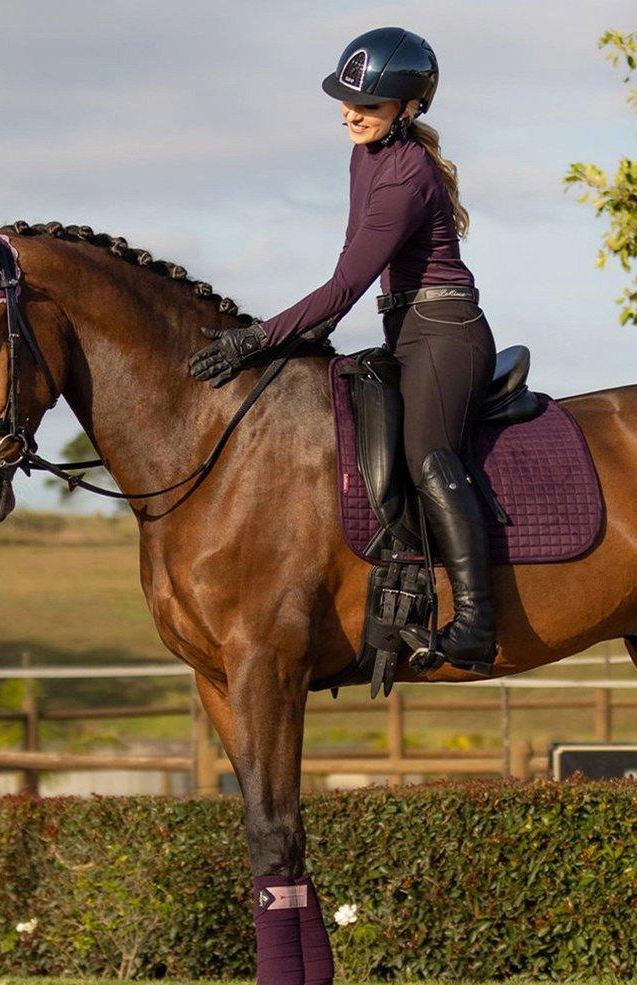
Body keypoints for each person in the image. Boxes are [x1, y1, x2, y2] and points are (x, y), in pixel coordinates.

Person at [184, 25, 499, 674]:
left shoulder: (405, 176)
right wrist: (301, 337)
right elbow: (349, 268)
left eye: (370, 104)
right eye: (347, 98)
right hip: (403, 329)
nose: (351, 112)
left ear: (408, 108)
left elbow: (344, 286)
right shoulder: (367, 156)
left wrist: (257, 337)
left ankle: (474, 621)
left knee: (425, 455)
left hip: (445, 332)